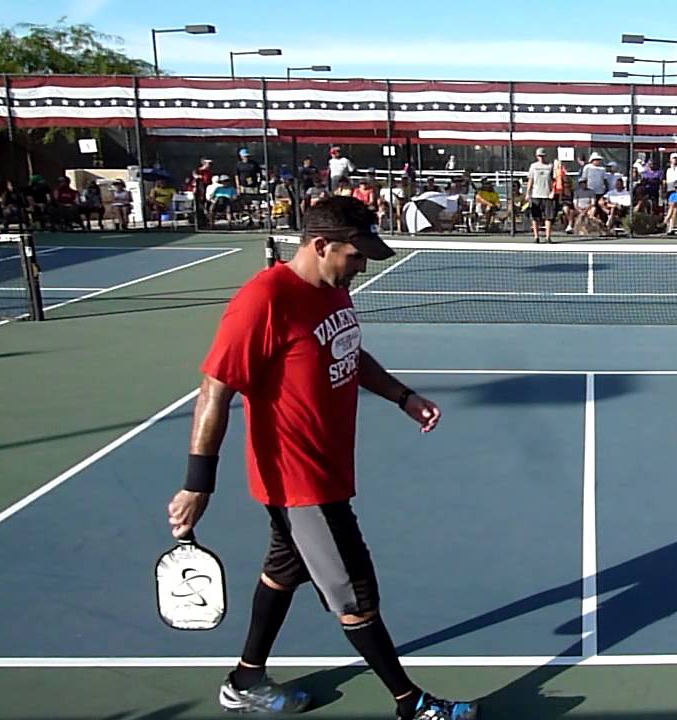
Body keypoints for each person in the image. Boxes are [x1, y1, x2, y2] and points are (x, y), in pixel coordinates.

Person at [164, 196, 476, 720]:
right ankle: (411, 705)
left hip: (329, 469)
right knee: (354, 591)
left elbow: (348, 353)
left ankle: (245, 681)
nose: (362, 265)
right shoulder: (264, 300)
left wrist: (403, 396)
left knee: (284, 570)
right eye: (356, 256)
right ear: (321, 245)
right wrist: (199, 484)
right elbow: (214, 391)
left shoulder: (333, 291)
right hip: (298, 481)